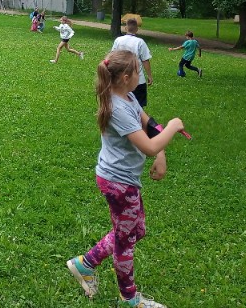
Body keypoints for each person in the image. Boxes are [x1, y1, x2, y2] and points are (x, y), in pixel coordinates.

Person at [66, 50, 185, 308]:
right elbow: (148, 147)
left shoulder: (127, 96)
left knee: (135, 230)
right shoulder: (117, 108)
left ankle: (85, 264)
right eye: (138, 72)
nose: (141, 75)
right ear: (126, 77)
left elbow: (148, 123)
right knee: (125, 240)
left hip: (124, 179)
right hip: (118, 183)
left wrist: (162, 153)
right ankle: (129, 298)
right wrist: (173, 127)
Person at [111, 19, 153, 108]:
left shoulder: (118, 40)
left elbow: (112, 57)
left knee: (122, 104)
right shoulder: (140, 42)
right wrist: (149, 76)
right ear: (137, 29)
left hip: (121, 78)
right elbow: (145, 60)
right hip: (138, 80)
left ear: (125, 28)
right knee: (139, 106)